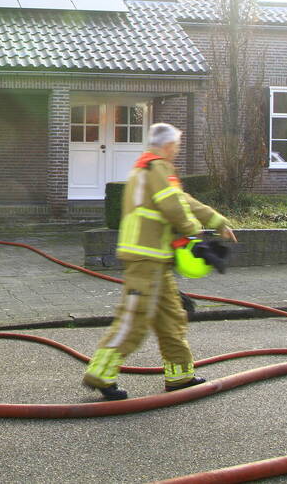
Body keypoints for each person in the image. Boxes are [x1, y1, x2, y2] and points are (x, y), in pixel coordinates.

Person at [82, 123, 236, 400]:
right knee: (135, 320)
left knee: (171, 318)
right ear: (167, 145)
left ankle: (180, 376)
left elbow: (183, 199)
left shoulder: (150, 168)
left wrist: (217, 220)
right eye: (176, 145)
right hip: (146, 257)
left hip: (156, 259)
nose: (177, 150)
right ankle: (101, 374)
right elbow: (173, 206)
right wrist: (195, 234)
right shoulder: (156, 167)